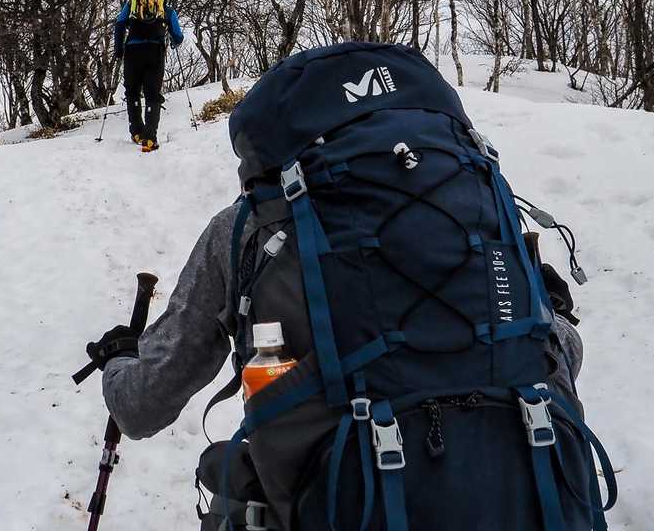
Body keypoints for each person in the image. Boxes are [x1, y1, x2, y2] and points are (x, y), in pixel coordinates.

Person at [81, 41, 609, 531]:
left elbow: (142, 406)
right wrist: (556, 314)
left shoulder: (248, 228)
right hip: (525, 502)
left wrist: (120, 361)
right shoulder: (483, 209)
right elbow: (557, 355)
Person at [112, 0, 185, 152]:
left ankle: (137, 132)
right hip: (154, 52)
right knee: (152, 95)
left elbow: (119, 24)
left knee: (132, 93)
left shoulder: (131, 5)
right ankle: (150, 139)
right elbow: (178, 35)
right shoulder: (165, 9)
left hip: (132, 51)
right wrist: (174, 40)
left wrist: (119, 49)